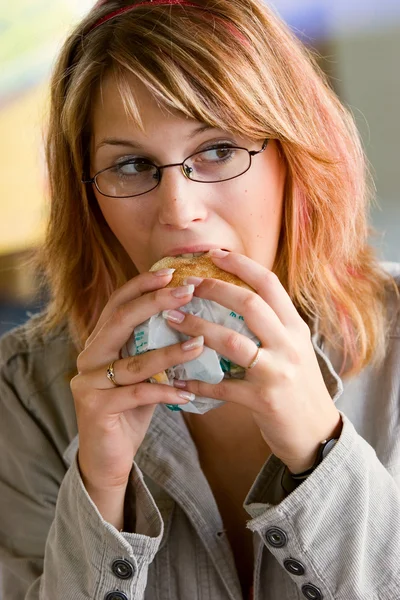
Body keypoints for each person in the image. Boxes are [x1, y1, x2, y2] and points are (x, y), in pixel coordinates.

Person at [0, 0, 399, 598]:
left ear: (294, 156)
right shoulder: (26, 392)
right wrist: (100, 492)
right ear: (89, 200)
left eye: (217, 150)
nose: (180, 212)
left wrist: (322, 455)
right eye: (132, 165)